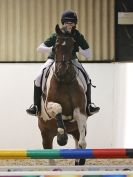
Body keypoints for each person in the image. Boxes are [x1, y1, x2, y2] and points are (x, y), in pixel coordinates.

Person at [26, 10, 100, 116]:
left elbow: (89, 54)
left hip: (72, 60)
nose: (69, 25)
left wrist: (78, 49)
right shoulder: (57, 33)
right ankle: (36, 106)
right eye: (67, 22)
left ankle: (89, 105)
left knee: (87, 77)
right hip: (54, 60)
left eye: (72, 22)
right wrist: (53, 48)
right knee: (38, 77)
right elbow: (40, 48)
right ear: (63, 23)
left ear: (75, 24)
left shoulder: (77, 35)